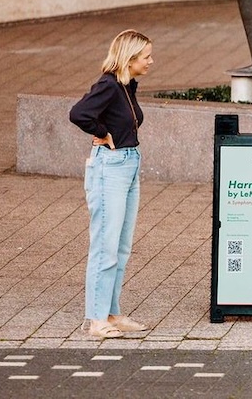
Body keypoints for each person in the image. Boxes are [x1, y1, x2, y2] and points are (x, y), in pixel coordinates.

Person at [69, 30, 154, 339]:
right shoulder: (107, 85)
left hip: (129, 165)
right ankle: (95, 320)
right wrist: (102, 132)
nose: (150, 61)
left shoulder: (127, 86)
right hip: (110, 168)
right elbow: (79, 114)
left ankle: (112, 313)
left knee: (121, 246)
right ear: (129, 59)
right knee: (105, 245)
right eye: (146, 57)